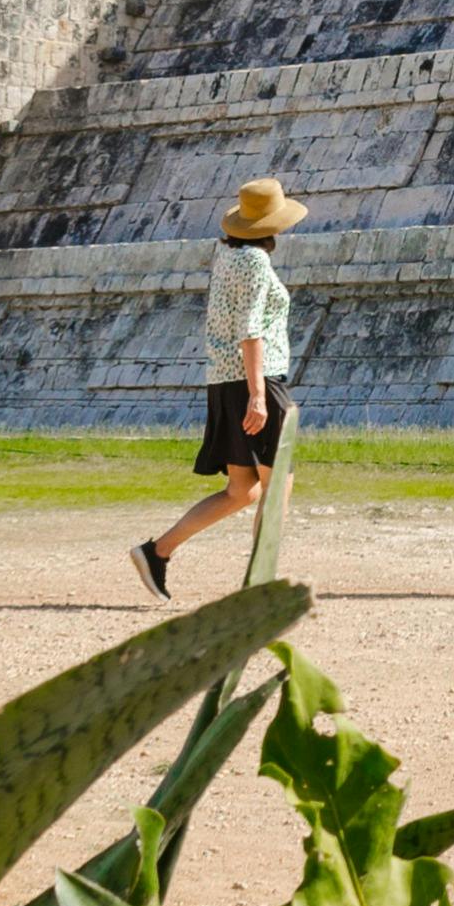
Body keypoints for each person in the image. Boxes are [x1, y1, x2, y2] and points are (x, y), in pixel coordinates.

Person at [135, 177, 302, 598]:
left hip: (225, 380)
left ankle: (158, 551)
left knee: (242, 489)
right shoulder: (255, 263)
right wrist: (259, 395)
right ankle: (260, 585)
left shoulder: (227, 255)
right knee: (277, 483)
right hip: (255, 380)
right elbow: (250, 330)